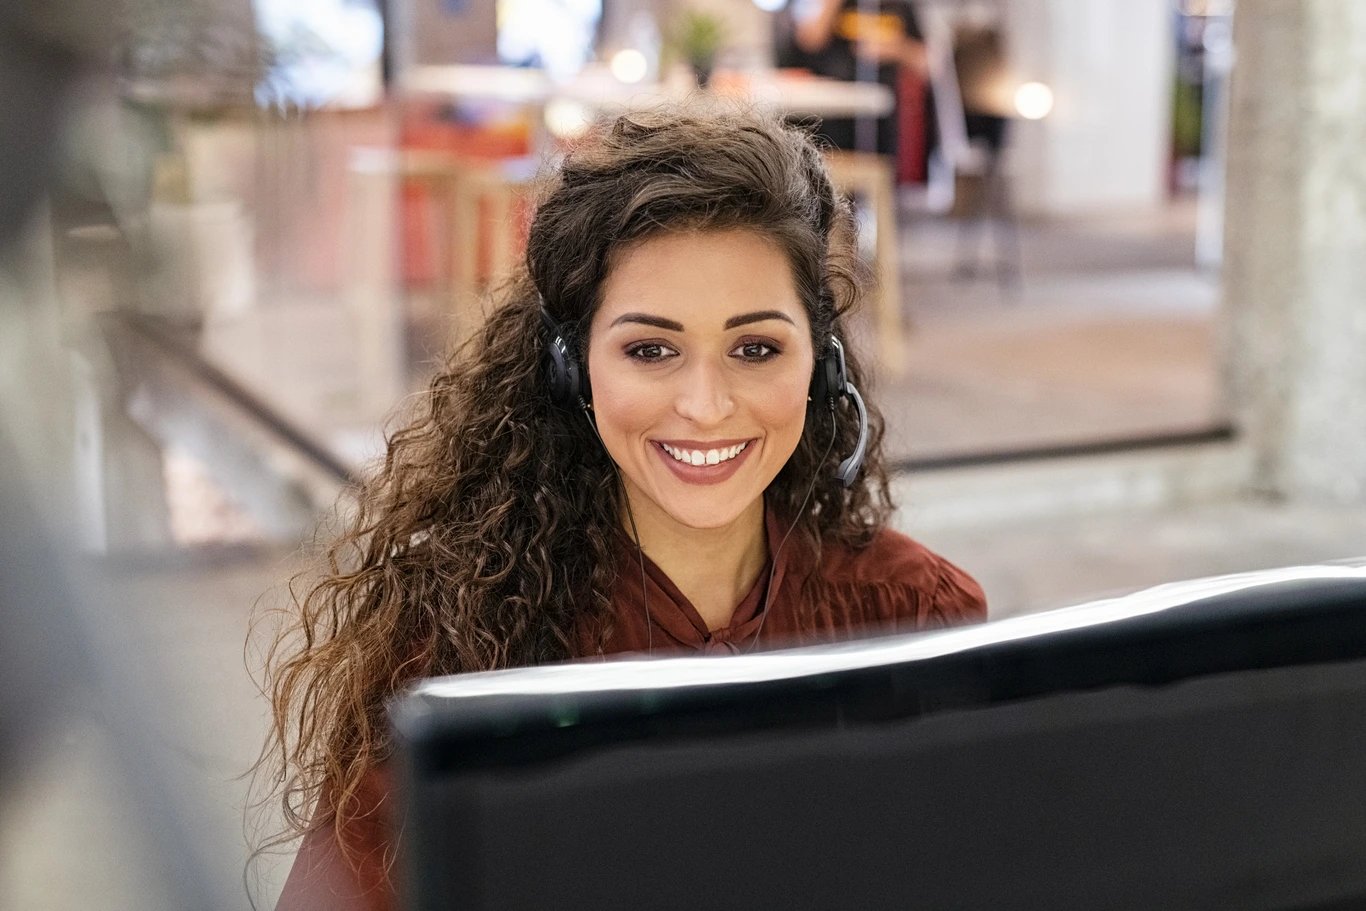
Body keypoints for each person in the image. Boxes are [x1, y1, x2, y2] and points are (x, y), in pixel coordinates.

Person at [255, 104, 985, 911]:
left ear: (820, 363)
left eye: (756, 348)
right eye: (650, 350)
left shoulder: (917, 614)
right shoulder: (462, 640)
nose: (706, 406)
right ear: (573, 368)